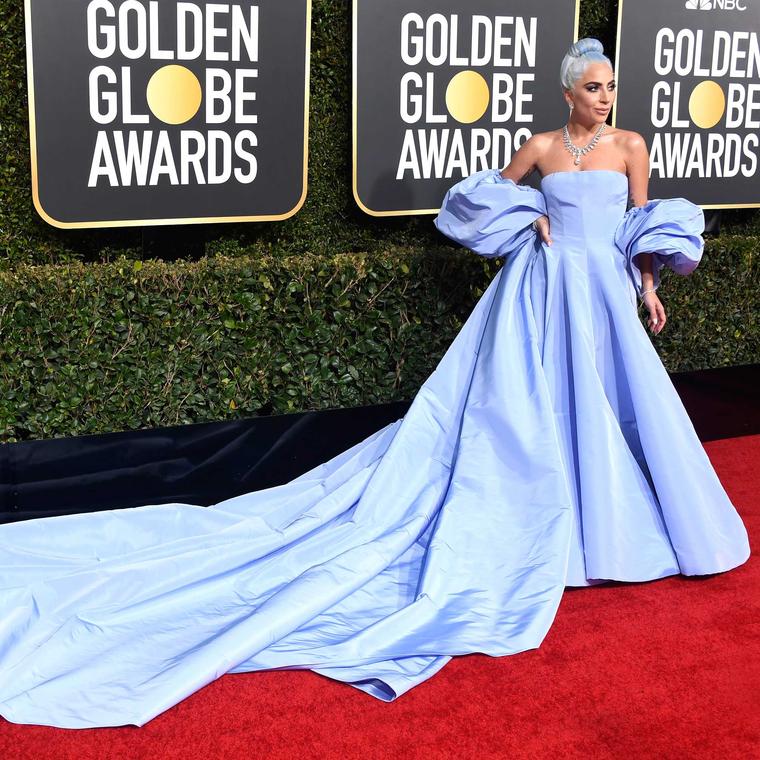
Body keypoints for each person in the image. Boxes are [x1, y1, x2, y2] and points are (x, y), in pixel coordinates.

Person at [0, 38, 750, 729]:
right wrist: (529, 216)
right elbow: (477, 199)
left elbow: (640, 224)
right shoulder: (543, 147)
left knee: (607, 407)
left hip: (605, 295)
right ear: (567, 93)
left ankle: (609, 529)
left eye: (611, 85)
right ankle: (546, 527)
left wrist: (648, 287)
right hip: (542, 292)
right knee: (531, 412)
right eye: (593, 87)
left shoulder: (630, 146)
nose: (606, 97)